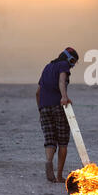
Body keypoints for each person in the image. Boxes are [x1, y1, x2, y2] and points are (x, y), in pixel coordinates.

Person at [36, 47, 79, 183]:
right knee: (62, 141)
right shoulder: (64, 65)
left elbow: (38, 92)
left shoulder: (47, 67)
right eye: (74, 62)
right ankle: (59, 176)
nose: (72, 66)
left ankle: (49, 161)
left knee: (50, 139)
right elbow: (61, 81)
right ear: (69, 59)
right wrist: (64, 97)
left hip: (44, 107)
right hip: (58, 106)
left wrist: (40, 110)